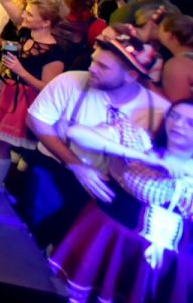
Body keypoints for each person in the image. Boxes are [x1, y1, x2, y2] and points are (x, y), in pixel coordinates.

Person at [20, 32, 170, 248]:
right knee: (28, 238)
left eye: (103, 67)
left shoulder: (157, 110)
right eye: (93, 60)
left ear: (131, 76)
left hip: (109, 187)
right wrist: (76, 165)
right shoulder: (69, 82)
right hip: (55, 169)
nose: (92, 68)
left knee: (74, 249)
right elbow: (36, 121)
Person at [49, 98, 193, 303]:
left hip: (169, 262)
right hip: (113, 238)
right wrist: (145, 158)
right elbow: (76, 133)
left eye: (190, 123)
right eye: (175, 116)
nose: (178, 125)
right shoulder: (142, 143)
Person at [0, 0, 71, 182]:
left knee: (1, 144)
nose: (24, 16)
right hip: (5, 90)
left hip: (23, 98)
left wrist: (20, 70)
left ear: (46, 22)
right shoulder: (25, 34)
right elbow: (6, 2)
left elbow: (47, 88)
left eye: (30, 14)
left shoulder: (55, 53)